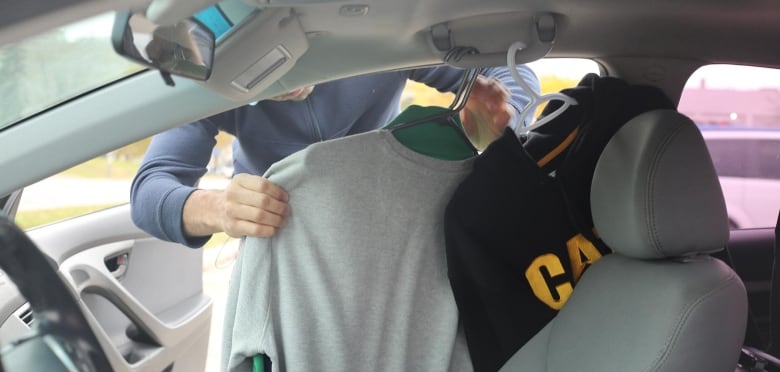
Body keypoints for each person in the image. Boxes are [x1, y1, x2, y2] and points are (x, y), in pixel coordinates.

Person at [130, 66, 540, 246]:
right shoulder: (214, 82)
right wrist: (220, 208)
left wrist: (499, 121)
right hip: (281, 249)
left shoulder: (382, 43)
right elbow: (149, 192)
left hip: (387, 230)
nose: (286, 76)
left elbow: (510, 70)